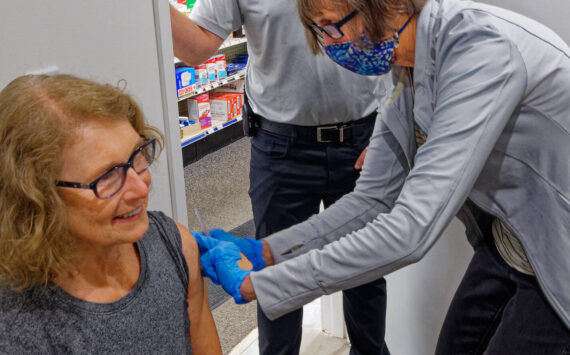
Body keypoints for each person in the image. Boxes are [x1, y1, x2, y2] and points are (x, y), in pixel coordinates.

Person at [194, 0, 570, 353]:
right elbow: (370, 201)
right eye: (319, 31)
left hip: (558, 255)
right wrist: (269, 252)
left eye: (333, 27)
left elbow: (410, 230)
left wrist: (260, 283)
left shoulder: (479, 51)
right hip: (514, 244)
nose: (328, 45)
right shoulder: (406, 67)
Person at [170, 2, 390, 355]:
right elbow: (196, 48)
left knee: (365, 270)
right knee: (277, 277)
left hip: (364, 141)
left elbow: (399, 32)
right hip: (281, 148)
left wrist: (395, 126)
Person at [0, 74, 222, 354]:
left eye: (136, 156)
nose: (140, 188)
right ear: (35, 196)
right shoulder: (15, 327)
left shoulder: (173, 244)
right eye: (107, 176)